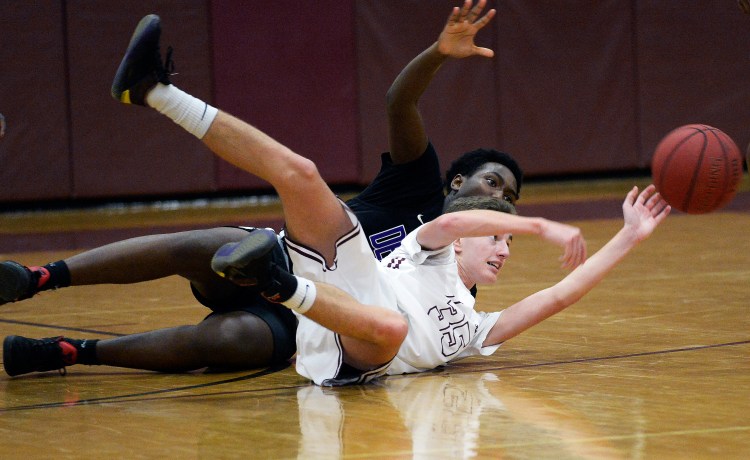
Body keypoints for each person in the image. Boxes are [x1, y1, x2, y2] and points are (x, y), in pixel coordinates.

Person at [51, 4, 665, 387]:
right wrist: (539, 226)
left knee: (391, 330)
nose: (504, 250)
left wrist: (630, 237)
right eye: (496, 237)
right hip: (351, 277)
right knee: (300, 171)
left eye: (506, 238)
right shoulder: (433, 246)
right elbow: (452, 228)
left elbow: (559, 296)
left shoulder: (478, 327)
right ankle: (154, 93)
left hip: (352, 348)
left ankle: (277, 282)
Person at [2, 1, 520, 376]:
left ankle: (69, 352)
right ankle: (38, 278)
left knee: (230, 340)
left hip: (309, 321)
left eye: (509, 198)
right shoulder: (417, 183)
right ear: (457, 182)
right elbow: (398, 101)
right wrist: (438, 52)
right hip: (285, 258)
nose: (501, 198)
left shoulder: (463, 278)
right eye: (493, 182)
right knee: (212, 247)